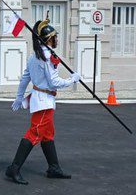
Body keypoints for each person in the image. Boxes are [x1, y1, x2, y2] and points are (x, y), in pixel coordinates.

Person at [5, 18, 81, 185]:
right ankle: (14, 168)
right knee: (34, 133)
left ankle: (54, 168)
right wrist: (72, 80)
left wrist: (19, 96)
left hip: (42, 98)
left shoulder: (35, 56)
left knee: (47, 134)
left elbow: (25, 78)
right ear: (48, 39)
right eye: (55, 37)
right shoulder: (46, 57)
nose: (57, 39)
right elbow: (54, 82)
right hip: (43, 102)